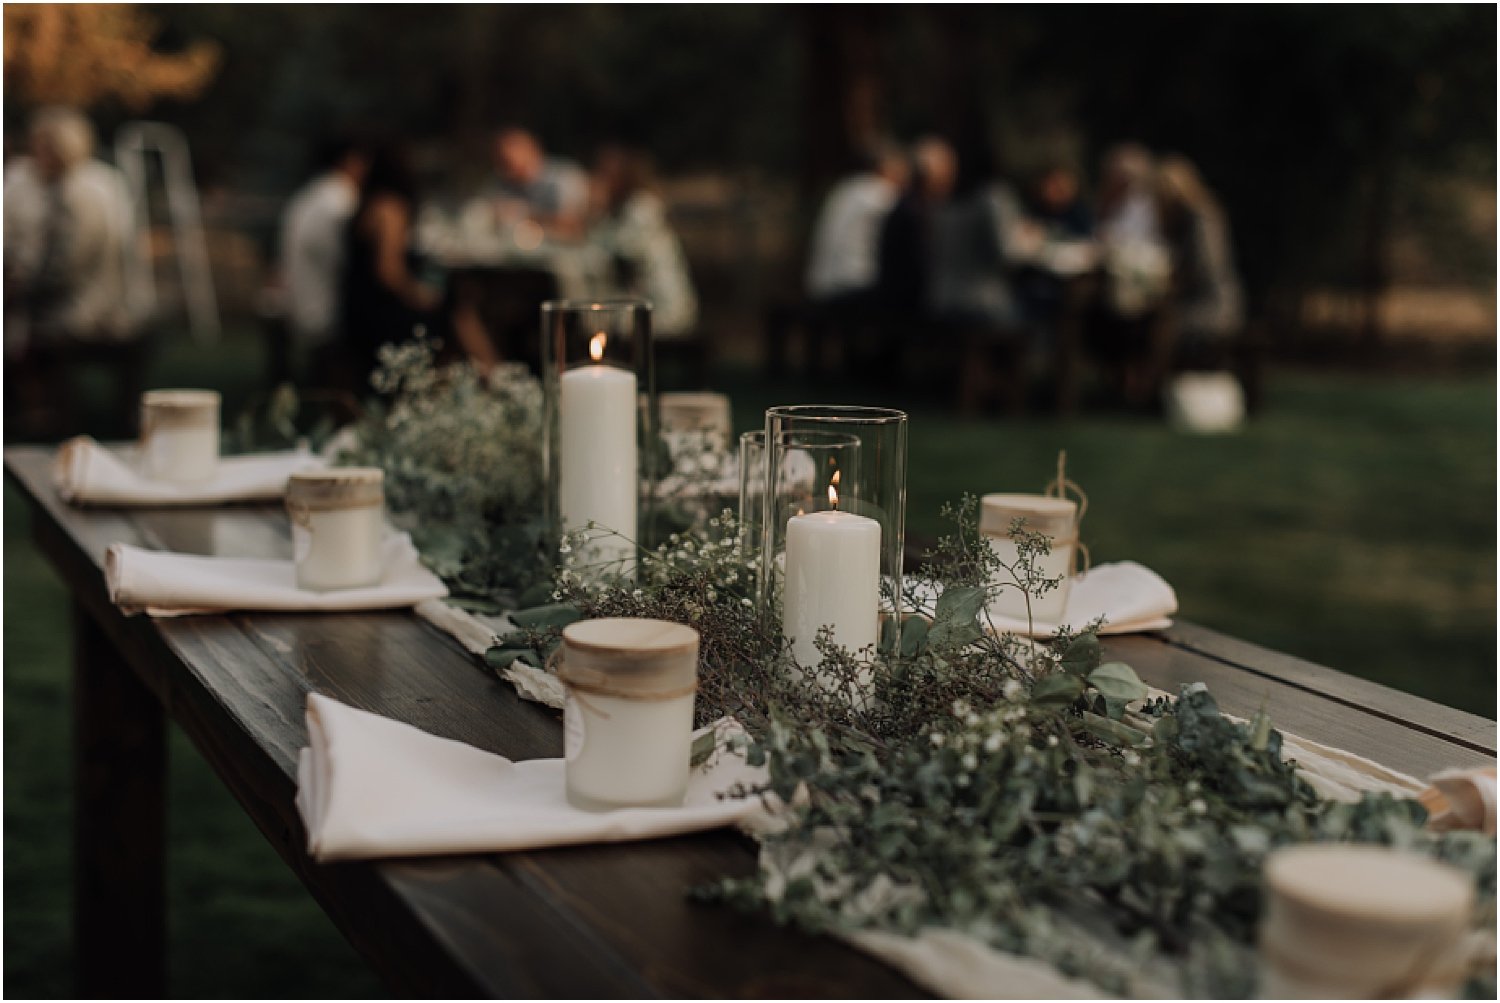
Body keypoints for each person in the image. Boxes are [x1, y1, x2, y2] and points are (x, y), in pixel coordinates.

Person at [4, 106, 148, 435]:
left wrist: (25, 282)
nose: (37, 154)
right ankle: (31, 409)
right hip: (84, 297)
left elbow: (72, 263)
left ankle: (39, 415)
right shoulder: (49, 182)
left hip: (92, 307)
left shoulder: (85, 190)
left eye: (44, 146)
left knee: (23, 328)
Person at [337, 144, 444, 391]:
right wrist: (421, 296)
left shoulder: (366, 204)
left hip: (355, 310)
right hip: (380, 314)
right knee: (455, 310)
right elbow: (388, 272)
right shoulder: (390, 209)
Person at [588, 144, 698, 339]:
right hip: (640, 306)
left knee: (594, 322)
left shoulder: (642, 208)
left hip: (662, 310)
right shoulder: (619, 211)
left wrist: (594, 209)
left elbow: (611, 250)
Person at [276, 136, 370, 358]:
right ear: (351, 161)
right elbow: (346, 262)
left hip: (302, 306)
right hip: (327, 314)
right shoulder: (341, 200)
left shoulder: (308, 197)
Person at [1155, 155, 1244, 359]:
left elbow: (1205, 269)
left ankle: (1149, 386)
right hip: (1194, 303)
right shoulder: (1182, 222)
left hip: (1213, 308)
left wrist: (1171, 282)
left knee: (1160, 327)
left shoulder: (1201, 219)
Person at [804, 141, 907, 309]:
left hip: (820, 284)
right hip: (851, 285)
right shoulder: (881, 194)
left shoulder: (844, 188)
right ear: (885, 167)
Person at [491, 127, 589, 238]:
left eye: (508, 162)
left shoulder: (566, 176)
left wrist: (526, 215)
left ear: (532, 150)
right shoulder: (505, 182)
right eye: (501, 161)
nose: (504, 169)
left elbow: (573, 224)